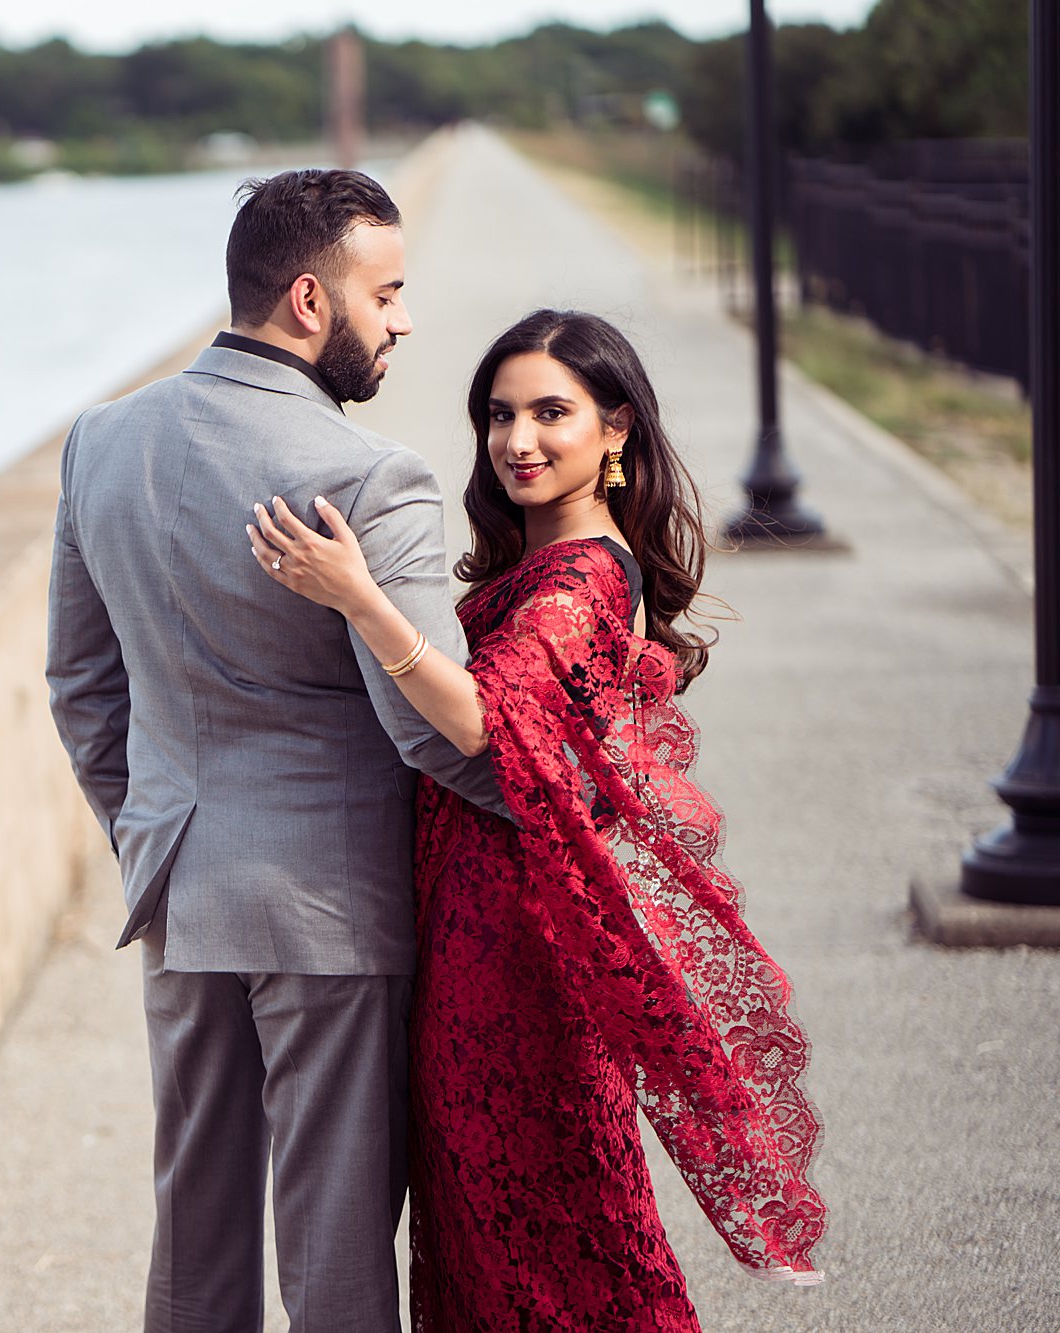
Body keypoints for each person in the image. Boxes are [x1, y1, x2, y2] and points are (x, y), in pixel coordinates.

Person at [249, 307, 827, 1328]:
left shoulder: (581, 576)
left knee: (549, 1244)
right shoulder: (551, 561)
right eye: (497, 414)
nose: (516, 440)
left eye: (550, 412)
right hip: (485, 927)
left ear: (614, 430)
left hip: (511, 956)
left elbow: (477, 720)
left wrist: (357, 597)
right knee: (517, 1236)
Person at [45, 168, 509, 1330]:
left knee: (192, 1238)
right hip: (328, 912)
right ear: (310, 301)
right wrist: (553, 794)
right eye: (387, 293)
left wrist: (156, 830)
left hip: (178, 885)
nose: (401, 320)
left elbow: (81, 688)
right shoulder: (370, 477)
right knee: (335, 1243)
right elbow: (424, 726)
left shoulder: (102, 441)